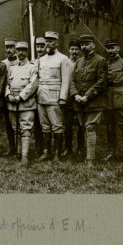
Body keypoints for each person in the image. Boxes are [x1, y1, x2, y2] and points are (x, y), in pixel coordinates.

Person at [70, 34, 108, 166]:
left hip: (93, 102)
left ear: (93, 45)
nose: (84, 47)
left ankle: (90, 159)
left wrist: (87, 96)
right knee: (82, 127)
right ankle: (84, 154)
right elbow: (72, 81)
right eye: (82, 44)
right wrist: (75, 95)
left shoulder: (100, 60)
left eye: (87, 44)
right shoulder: (79, 62)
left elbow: (101, 82)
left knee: (90, 127)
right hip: (79, 102)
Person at [36, 31, 72, 162]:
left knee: (57, 125)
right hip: (41, 97)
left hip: (55, 97)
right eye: (46, 41)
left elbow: (66, 80)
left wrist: (63, 98)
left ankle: (57, 153)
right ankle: (46, 152)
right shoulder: (41, 59)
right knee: (44, 126)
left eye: (51, 41)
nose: (48, 44)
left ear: (57, 43)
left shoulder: (63, 59)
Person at [5, 41, 38, 164]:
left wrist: (20, 96)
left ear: (27, 51)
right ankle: (18, 153)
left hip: (26, 103)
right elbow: (6, 84)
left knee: (25, 129)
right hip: (12, 103)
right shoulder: (12, 68)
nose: (21, 53)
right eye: (18, 50)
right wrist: (8, 95)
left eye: (23, 50)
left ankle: (25, 156)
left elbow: (33, 85)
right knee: (16, 128)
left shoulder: (32, 67)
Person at [104, 39, 123, 162]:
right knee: (109, 126)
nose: (110, 50)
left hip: (121, 98)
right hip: (108, 99)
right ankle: (111, 151)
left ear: (118, 48)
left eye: (113, 48)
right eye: (108, 48)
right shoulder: (105, 64)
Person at [62, 40, 84, 158]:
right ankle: (68, 148)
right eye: (72, 49)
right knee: (68, 124)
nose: (74, 52)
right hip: (68, 98)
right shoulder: (65, 62)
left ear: (79, 50)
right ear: (69, 50)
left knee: (81, 125)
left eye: (76, 49)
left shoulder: (82, 62)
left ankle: (80, 148)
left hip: (80, 97)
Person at [1, 38, 19, 156]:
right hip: (5, 97)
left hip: (19, 97)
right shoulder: (3, 63)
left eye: (11, 47)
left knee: (20, 123)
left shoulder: (21, 61)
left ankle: (20, 148)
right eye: (7, 47)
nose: (8, 50)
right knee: (8, 123)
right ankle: (12, 147)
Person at [32, 37, 47, 155]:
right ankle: (38, 147)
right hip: (35, 97)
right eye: (38, 47)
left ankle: (47, 148)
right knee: (37, 124)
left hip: (46, 96)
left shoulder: (49, 61)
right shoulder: (33, 62)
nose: (40, 49)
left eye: (42, 46)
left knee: (47, 124)